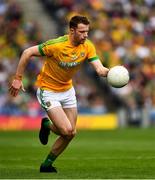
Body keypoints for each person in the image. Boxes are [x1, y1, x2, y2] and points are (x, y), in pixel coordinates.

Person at [9, 15, 109, 173]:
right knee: (66, 130)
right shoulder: (56, 45)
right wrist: (17, 78)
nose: (85, 35)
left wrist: (111, 73)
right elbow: (27, 52)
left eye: (87, 32)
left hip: (67, 91)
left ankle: (46, 165)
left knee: (71, 133)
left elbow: (100, 69)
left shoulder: (88, 46)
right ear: (72, 30)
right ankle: (47, 124)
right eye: (82, 32)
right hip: (48, 91)